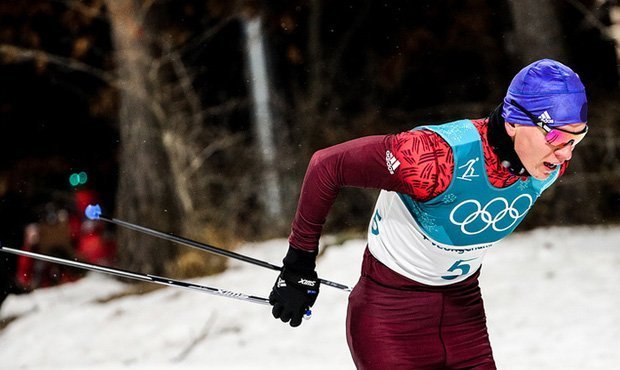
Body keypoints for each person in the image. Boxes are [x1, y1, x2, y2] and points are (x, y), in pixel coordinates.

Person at [268, 59, 588, 369]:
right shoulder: (434, 158)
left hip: (463, 317)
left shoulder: (545, 167)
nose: (565, 153)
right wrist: (299, 262)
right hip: (391, 320)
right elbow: (327, 166)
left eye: (577, 139)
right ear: (514, 121)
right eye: (556, 136)